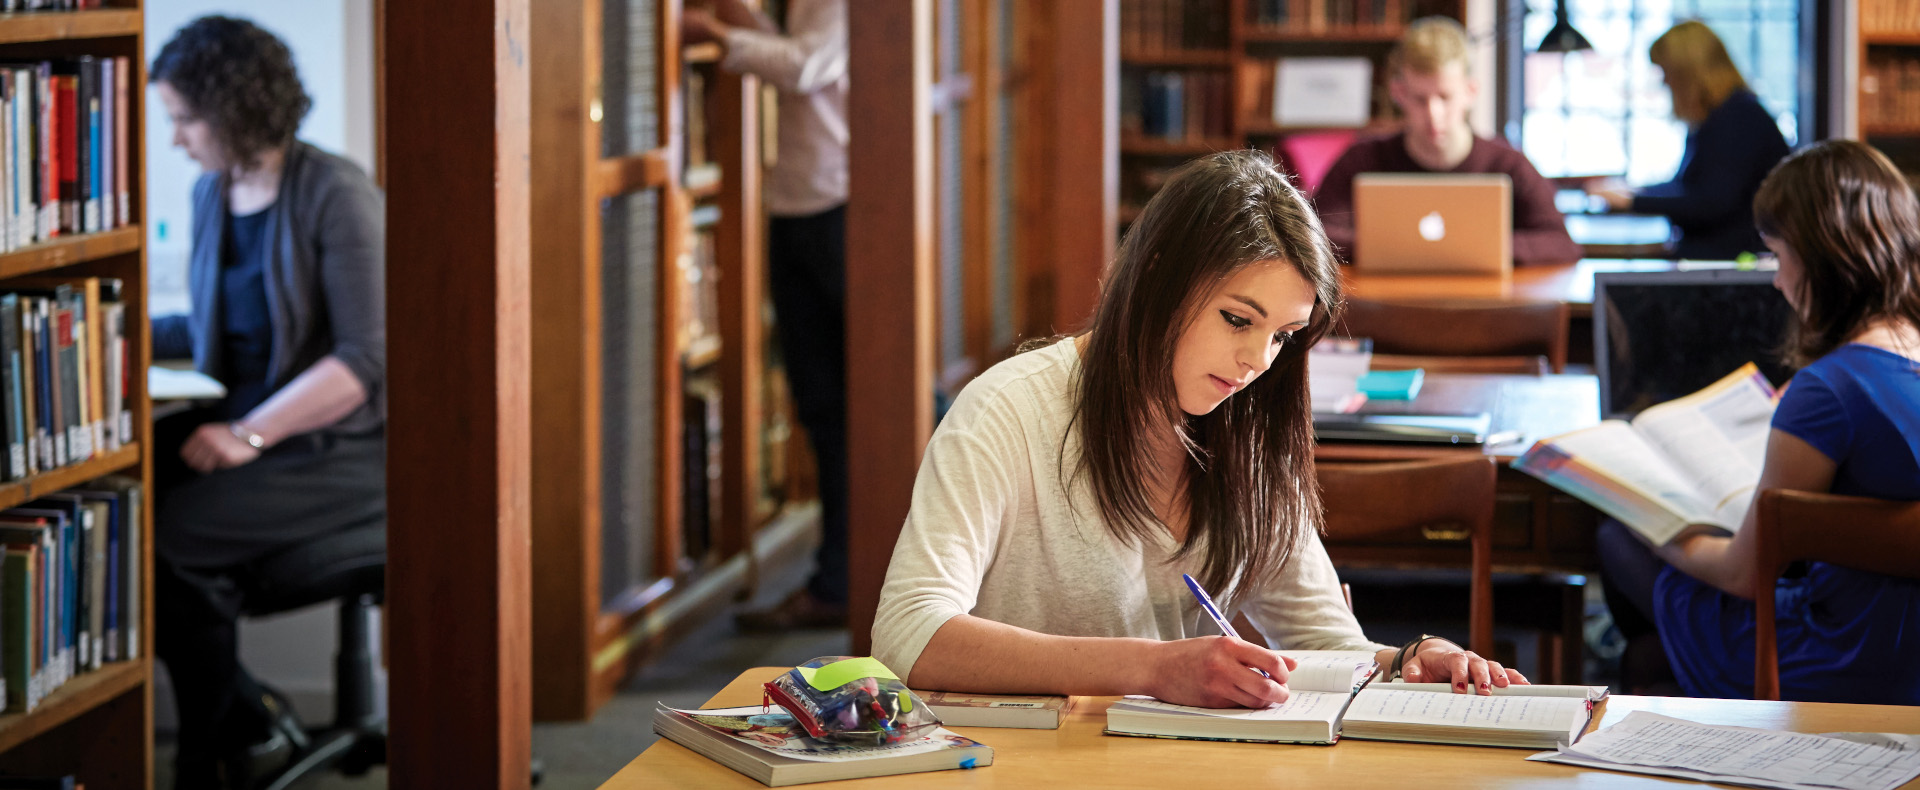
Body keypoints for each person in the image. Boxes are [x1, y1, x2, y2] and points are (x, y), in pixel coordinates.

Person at [873, 150, 1525, 706]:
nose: (1256, 362)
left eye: (1282, 336)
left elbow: (1324, 642)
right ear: (1159, 276)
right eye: (1238, 320)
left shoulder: (1246, 423)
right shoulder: (1006, 412)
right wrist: (1155, 668)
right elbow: (908, 633)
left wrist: (1406, 658)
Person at [148, 16, 386, 787]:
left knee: (173, 536)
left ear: (236, 106)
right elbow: (216, 324)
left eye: (185, 118)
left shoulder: (335, 192)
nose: (177, 139)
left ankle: (211, 754)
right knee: (121, 494)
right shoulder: (212, 194)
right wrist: (109, 335)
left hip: (339, 438)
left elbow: (365, 358)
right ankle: (248, 717)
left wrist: (248, 435)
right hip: (251, 417)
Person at [1595, 139, 1920, 703]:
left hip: (1837, 655)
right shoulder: (1891, 361)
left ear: (1821, 260)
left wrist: (1666, 532)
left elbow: (1746, 575)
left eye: (1777, 256)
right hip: (1904, 651)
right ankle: (1667, 678)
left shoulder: (1829, 390)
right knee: (1648, 649)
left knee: (1616, 534)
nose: (1774, 281)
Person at [683, 0, 852, 631]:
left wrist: (718, 35)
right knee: (820, 404)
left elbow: (808, 67)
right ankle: (838, 578)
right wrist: (746, 23)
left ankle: (854, 579)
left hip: (842, 202)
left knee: (869, 404)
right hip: (799, 201)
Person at [1315, 17, 1580, 267]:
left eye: (1445, 97)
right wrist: (1401, 248)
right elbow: (1313, 235)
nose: (1434, 114)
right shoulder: (1361, 160)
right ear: (1399, 93)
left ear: (1470, 92)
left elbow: (1561, 244)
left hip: (1484, 312)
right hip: (1386, 311)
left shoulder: (1509, 165)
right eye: (1420, 99)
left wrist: (1482, 248)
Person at [1587, 21, 1790, 260]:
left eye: (1666, 73)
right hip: (1714, 256)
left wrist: (1633, 201)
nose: (1665, 83)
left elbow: (1711, 204)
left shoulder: (1738, 119)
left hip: (1731, 264)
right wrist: (1636, 191)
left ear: (1688, 74)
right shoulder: (1717, 117)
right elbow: (1688, 187)